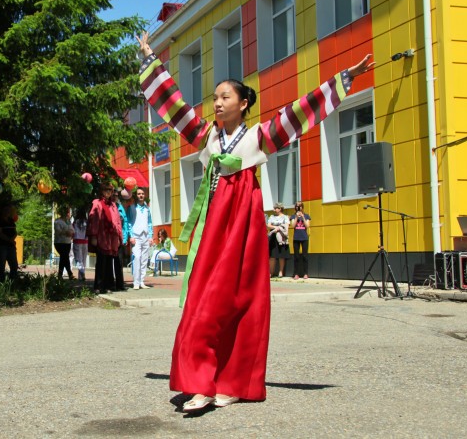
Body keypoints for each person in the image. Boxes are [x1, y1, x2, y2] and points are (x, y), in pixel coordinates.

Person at [137, 31, 374, 411]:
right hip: (214, 227)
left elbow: (300, 112)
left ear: (244, 103)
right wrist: (151, 60)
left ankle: (232, 383)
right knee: (203, 301)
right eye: (214, 98)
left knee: (242, 302)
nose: (216, 103)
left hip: (243, 230)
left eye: (225, 97)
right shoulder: (206, 136)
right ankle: (199, 383)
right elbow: (176, 106)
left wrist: (344, 80)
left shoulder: (258, 138)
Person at [88, 183, 123, 294]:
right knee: (101, 262)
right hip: (101, 236)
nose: (108, 192)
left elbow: (117, 222)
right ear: (102, 191)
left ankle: (109, 286)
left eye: (110, 190)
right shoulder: (97, 203)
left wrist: (118, 237)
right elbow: (94, 219)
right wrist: (93, 235)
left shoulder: (113, 205)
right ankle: (98, 286)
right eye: (106, 190)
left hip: (111, 238)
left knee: (109, 262)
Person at [128, 186, 153, 289]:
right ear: (136, 195)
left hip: (145, 236)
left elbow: (150, 223)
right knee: (137, 257)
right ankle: (136, 282)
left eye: (142, 194)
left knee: (144, 259)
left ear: (145, 195)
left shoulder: (147, 209)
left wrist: (150, 236)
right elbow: (129, 222)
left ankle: (142, 281)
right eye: (139, 194)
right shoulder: (132, 208)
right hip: (136, 237)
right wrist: (131, 236)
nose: (141, 195)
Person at [0, 205, 20, 282]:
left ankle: (12, 281)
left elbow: (15, 232)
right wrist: (8, 239)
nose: (7, 212)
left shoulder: (11, 220)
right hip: (2, 245)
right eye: (6, 210)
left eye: (9, 211)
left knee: (14, 265)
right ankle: (1, 281)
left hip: (11, 246)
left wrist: (12, 239)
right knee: (1, 265)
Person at [267, 203, 290, 278]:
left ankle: (281, 272)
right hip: (273, 237)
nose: (274, 210)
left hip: (282, 237)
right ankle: (271, 272)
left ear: (280, 209)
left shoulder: (285, 217)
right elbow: (268, 225)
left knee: (281, 255)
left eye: (275, 208)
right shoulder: (272, 216)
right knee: (272, 256)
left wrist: (279, 229)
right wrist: (276, 227)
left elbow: (287, 226)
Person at [290, 201, 311, 280]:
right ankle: (296, 273)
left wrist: (302, 217)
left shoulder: (306, 216)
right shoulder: (293, 216)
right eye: (297, 206)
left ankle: (306, 273)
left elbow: (307, 226)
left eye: (300, 206)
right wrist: (296, 217)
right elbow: (293, 225)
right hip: (296, 238)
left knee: (305, 256)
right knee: (296, 256)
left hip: (304, 237)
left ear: (302, 207)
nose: (298, 208)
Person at [53, 206, 75, 280]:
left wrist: (71, 232)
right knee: (65, 257)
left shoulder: (68, 221)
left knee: (64, 258)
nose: (69, 214)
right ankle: (70, 274)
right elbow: (58, 231)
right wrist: (66, 232)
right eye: (68, 212)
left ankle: (60, 275)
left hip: (67, 243)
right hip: (59, 243)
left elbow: (73, 230)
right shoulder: (57, 221)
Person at [71, 207, 89, 280]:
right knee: (84, 259)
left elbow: (72, 232)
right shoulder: (87, 222)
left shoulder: (75, 222)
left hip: (77, 241)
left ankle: (81, 272)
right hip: (85, 242)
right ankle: (81, 276)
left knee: (78, 260)